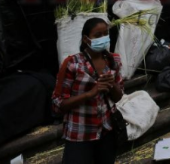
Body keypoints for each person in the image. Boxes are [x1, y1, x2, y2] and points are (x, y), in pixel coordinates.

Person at [52, 17, 124, 164]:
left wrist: (112, 85)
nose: (103, 38)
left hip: (106, 130)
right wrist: (90, 93)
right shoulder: (73, 64)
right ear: (86, 39)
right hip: (80, 133)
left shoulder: (113, 61)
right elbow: (58, 104)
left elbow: (118, 97)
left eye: (106, 34)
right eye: (98, 35)